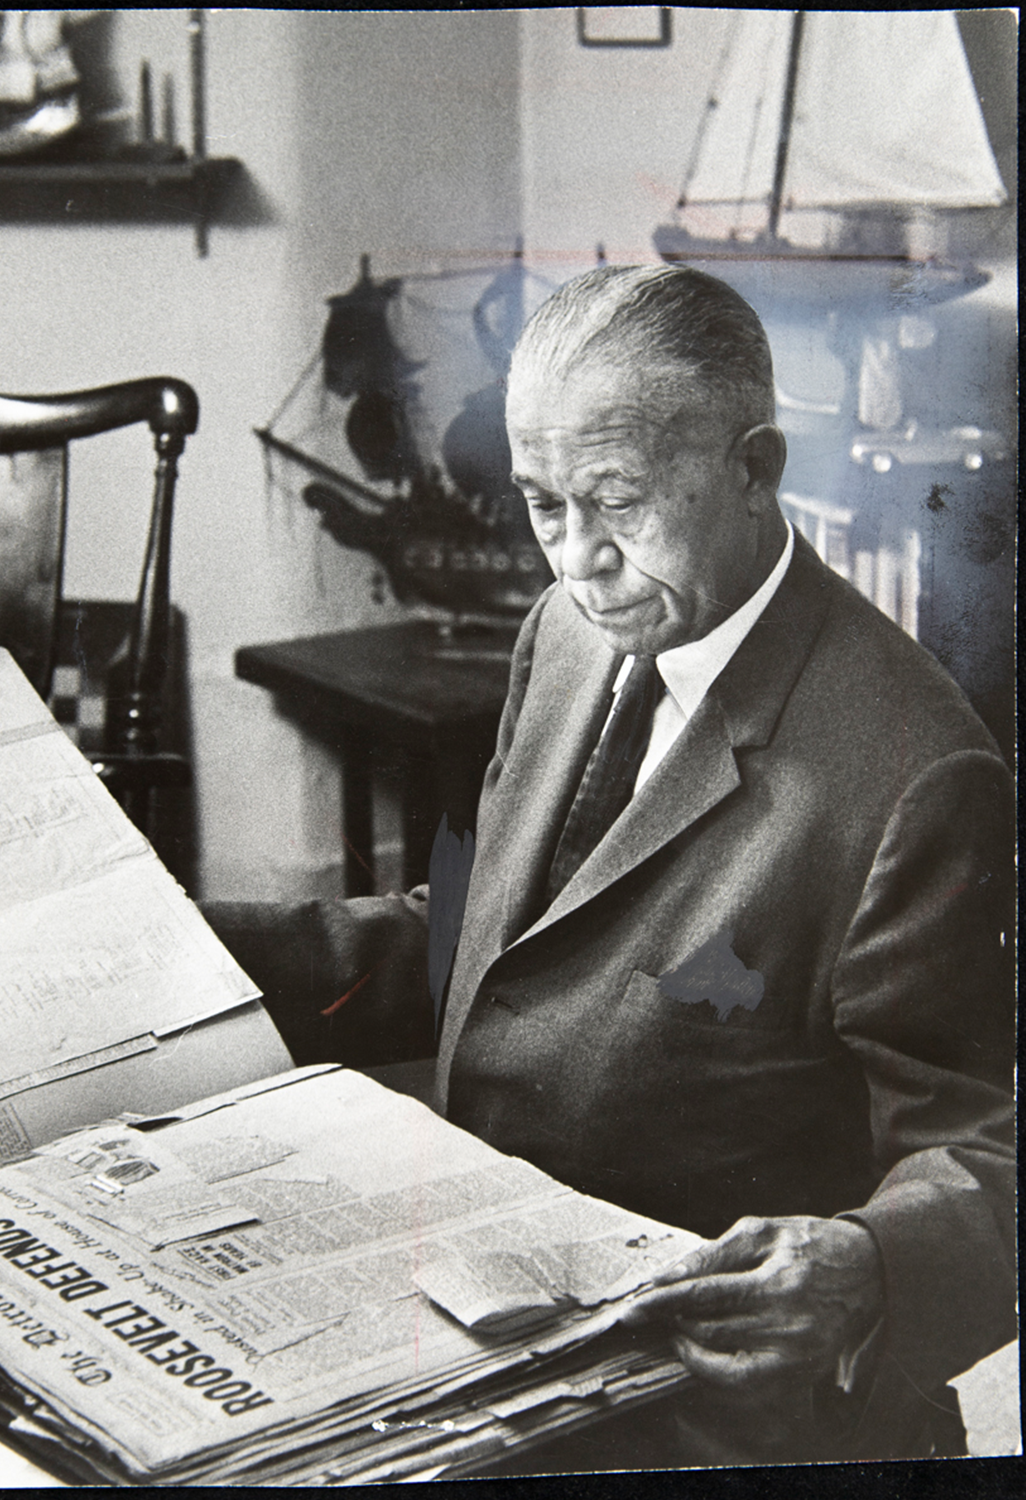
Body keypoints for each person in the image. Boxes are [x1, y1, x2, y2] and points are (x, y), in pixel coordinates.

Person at [204, 265, 1014, 1468]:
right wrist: (183, 952)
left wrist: (862, 1266)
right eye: (541, 504)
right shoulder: (569, 634)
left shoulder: (917, 769)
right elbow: (489, 937)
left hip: (717, 1407)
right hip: (505, 1319)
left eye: (618, 503)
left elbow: (985, 1145)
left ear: (755, 471)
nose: (576, 560)